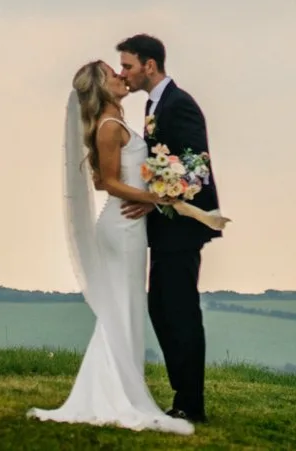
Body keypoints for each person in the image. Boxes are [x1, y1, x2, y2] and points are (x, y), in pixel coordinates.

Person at [27, 58, 195, 433]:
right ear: (101, 88)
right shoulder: (107, 126)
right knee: (122, 308)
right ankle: (118, 394)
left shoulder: (115, 121)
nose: (121, 77)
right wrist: (155, 198)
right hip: (121, 226)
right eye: (112, 74)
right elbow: (107, 182)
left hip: (128, 226)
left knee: (126, 307)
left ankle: (121, 386)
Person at [117, 34, 220, 423]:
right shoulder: (153, 104)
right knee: (162, 308)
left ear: (149, 64)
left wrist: (156, 197)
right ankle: (183, 397)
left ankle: (191, 404)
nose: (124, 73)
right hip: (164, 228)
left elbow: (196, 167)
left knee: (179, 311)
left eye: (128, 65)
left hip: (181, 229)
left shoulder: (180, 104)